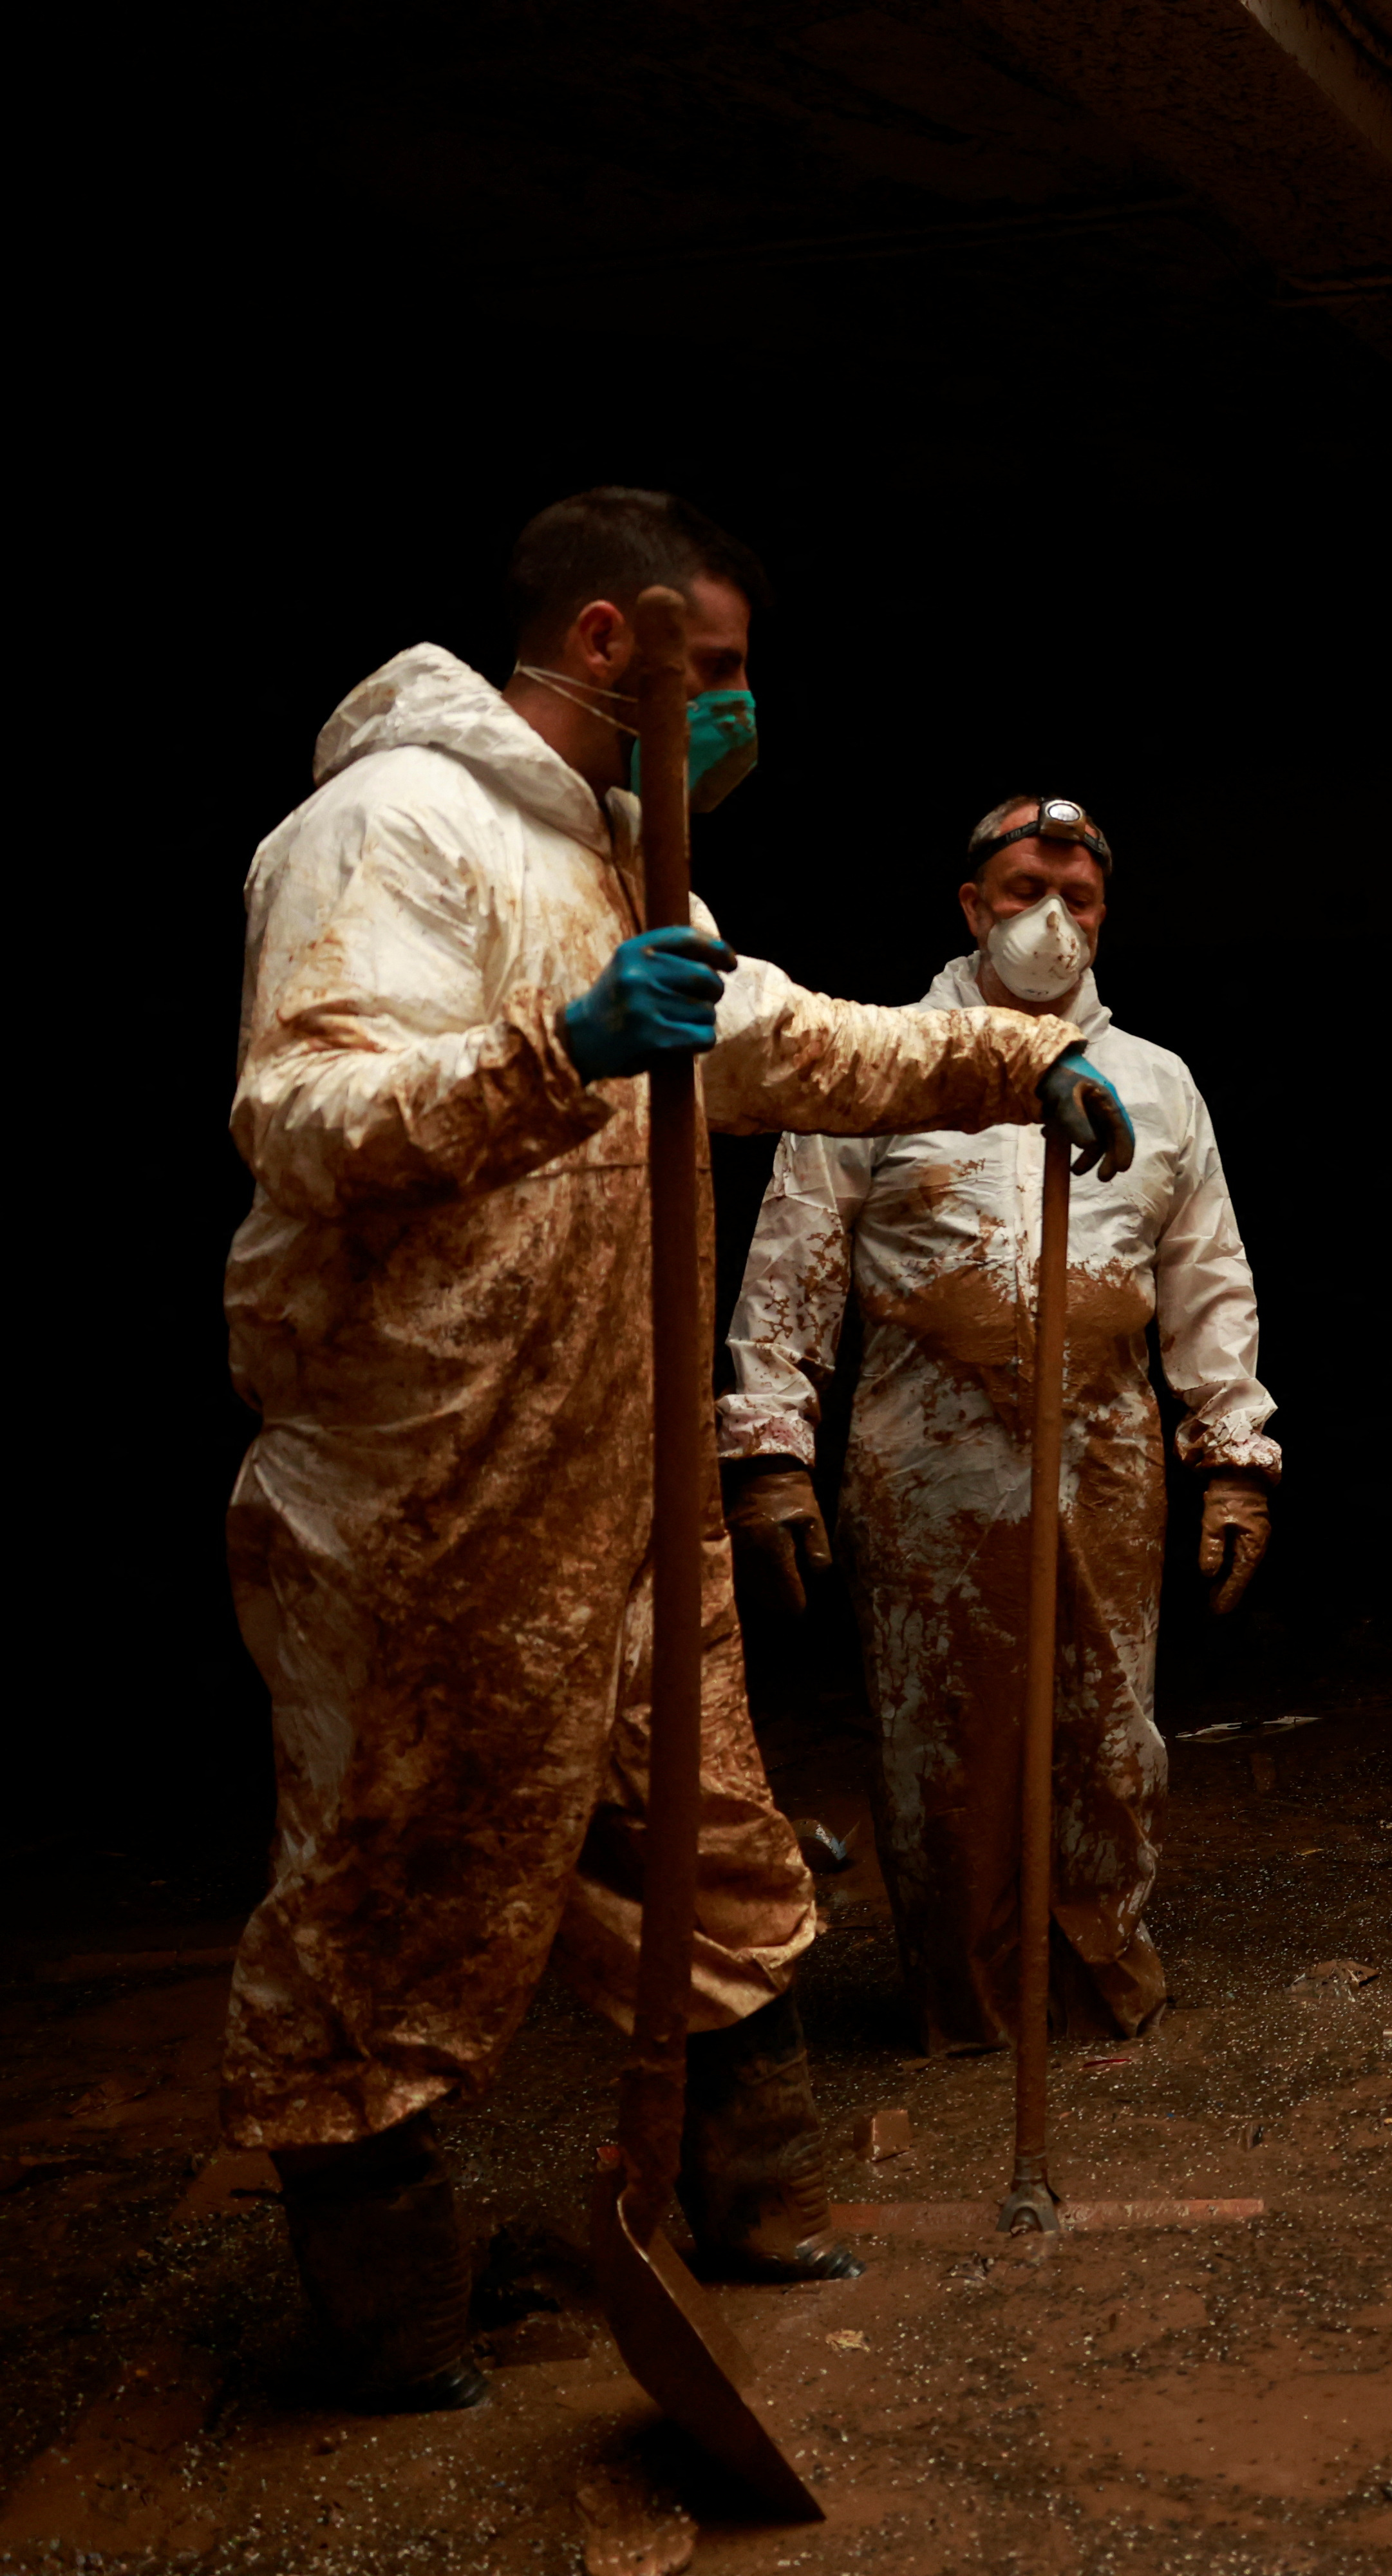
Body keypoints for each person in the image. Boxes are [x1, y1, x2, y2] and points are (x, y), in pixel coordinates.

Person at [223, 488, 1137, 2410]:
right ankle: (388, 2304)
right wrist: (557, 1045)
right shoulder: (388, 827)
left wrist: (1010, 1062)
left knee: (712, 1848)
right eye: (715, 670)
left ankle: (743, 2194)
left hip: (614, 1474)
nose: (739, 707)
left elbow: (780, 1044)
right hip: (427, 1479)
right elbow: (302, 1116)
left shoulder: (637, 861)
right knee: (389, 1883)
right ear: (613, 647)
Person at [720, 794, 1277, 2055]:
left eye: (1077, 896)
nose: (1052, 916)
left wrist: (1233, 1453)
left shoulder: (1159, 1084)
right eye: (1025, 889)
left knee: (1105, 1723)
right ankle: (966, 2002)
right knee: (943, 1739)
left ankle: (1091, 1976)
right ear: (972, 907)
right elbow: (798, 1246)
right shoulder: (879, 1060)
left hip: (1104, 1447)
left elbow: (1208, 1277)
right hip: (926, 1458)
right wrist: (769, 1446)